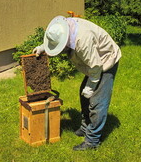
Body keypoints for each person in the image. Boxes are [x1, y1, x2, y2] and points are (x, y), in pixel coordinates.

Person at [33, 15, 121, 151]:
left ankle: (92, 141)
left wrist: (91, 87)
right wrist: (42, 47)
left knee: (97, 102)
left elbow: (96, 66)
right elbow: (57, 39)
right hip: (94, 63)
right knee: (84, 95)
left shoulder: (82, 41)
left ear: (65, 41)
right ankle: (86, 127)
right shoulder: (63, 29)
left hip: (105, 61)